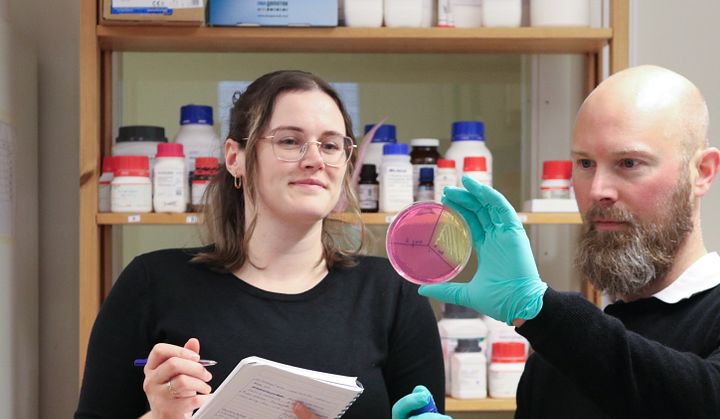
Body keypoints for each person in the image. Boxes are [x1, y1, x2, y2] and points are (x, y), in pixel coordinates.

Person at [75, 70, 445, 418]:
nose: (315, 160)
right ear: (235, 157)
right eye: (289, 141)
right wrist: (161, 416)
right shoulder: (151, 283)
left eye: (331, 145)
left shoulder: (392, 293)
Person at [395, 65, 720, 418]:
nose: (597, 191)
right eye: (585, 163)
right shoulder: (556, 357)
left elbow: (718, 402)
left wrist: (539, 310)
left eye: (628, 162)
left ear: (702, 172)